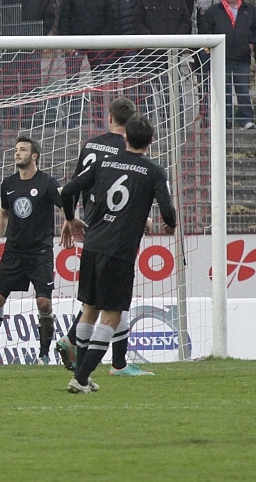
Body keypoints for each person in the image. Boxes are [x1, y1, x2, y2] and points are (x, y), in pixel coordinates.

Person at [60, 115, 176, 393]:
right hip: (119, 251)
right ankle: (81, 378)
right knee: (111, 316)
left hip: (92, 245)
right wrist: (170, 225)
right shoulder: (154, 170)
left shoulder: (103, 163)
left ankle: (82, 376)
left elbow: (67, 191)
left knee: (89, 310)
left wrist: (71, 219)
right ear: (150, 141)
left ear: (125, 138)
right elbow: (167, 210)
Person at [54, 97, 154, 377]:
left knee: (98, 296)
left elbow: (73, 186)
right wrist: (142, 217)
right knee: (114, 297)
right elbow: (125, 188)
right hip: (115, 225)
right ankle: (114, 362)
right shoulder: (126, 149)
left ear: (109, 118)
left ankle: (78, 342)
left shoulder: (90, 144)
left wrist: (69, 218)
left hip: (89, 222)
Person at [0, 136, 61, 365]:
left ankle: (43, 355)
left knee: (44, 303)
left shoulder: (48, 183)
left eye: (22, 150)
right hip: (13, 251)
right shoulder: (9, 184)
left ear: (34, 155)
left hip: (40, 252)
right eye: (16, 150)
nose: (17, 153)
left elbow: (65, 205)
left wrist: (71, 222)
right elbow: (4, 213)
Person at [199, 0, 256, 130]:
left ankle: (246, 120)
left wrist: (252, 44)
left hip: (242, 57)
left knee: (243, 89)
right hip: (221, 57)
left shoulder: (249, 10)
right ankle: (225, 119)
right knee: (223, 90)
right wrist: (213, 48)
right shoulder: (214, 11)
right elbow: (205, 30)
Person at [58, 0, 114, 127]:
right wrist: (66, 41)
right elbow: (64, 18)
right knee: (72, 81)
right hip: (75, 43)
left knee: (99, 81)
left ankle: (99, 120)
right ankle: (73, 119)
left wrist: (103, 39)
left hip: (97, 43)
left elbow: (110, 20)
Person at [132, 0, 192, 120]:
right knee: (146, 94)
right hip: (148, 55)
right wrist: (148, 37)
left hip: (171, 55)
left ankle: (174, 124)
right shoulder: (144, 0)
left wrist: (177, 39)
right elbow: (137, 21)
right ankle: (144, 123)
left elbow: (186, 22)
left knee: (172, 93)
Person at [2, 0, 56, 128]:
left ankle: (30, 121)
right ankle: (11, 122)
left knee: (31, 85)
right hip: (13, 47)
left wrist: (39, 35)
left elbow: (49, 17)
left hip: (33, 47)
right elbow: (3, 18)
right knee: (10, 85)